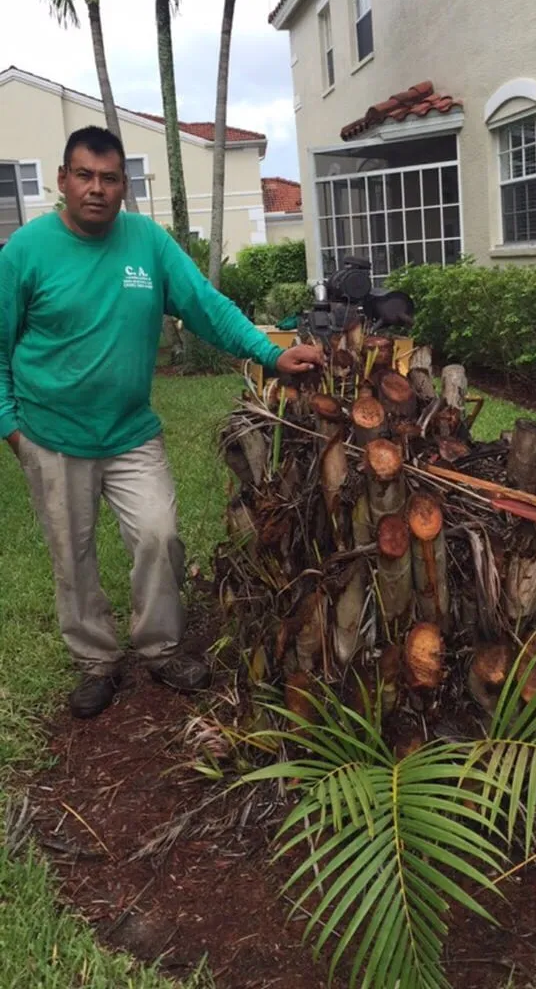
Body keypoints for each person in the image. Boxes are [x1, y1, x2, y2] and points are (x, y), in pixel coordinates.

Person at [0, 125, 323, 720]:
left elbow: (206, 306)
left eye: (109, 178)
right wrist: (12, 430)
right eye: (84, 176)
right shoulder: (25, 252)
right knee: (72, 557)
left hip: (130, 432)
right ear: (63, 180)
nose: (96, 189)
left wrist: (270, 353)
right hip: (51, 436)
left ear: (124, 186)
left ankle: (159, 647)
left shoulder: (147, 243)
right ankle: (96, 661)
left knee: (159, 535)